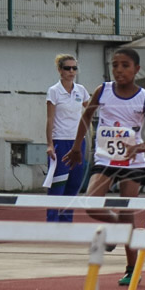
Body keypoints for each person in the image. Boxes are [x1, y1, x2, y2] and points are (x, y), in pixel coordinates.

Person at [64, 48, 145, 286]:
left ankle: (132, 269)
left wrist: (140, 148)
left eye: (125, 65)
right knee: (90, 204)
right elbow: (86, 118)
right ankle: (118, 228)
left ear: (137, 70)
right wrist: (77, 147)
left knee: (127, 212)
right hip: (106, 159)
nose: (119, 70)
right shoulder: (103, 90)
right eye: (115, 65)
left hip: (133, 163)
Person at [45, 54, 90, 222]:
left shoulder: (81, 90)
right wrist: (50, 144)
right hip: (60, 141)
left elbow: (90, 108)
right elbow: (49, 119)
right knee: (58, 185)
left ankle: (66, 223)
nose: (71, 71)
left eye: (74, 68)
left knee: (74, 183)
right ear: (59, 70)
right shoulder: (54, 91)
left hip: (78, 142)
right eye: (67, 68)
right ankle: (52, 224)